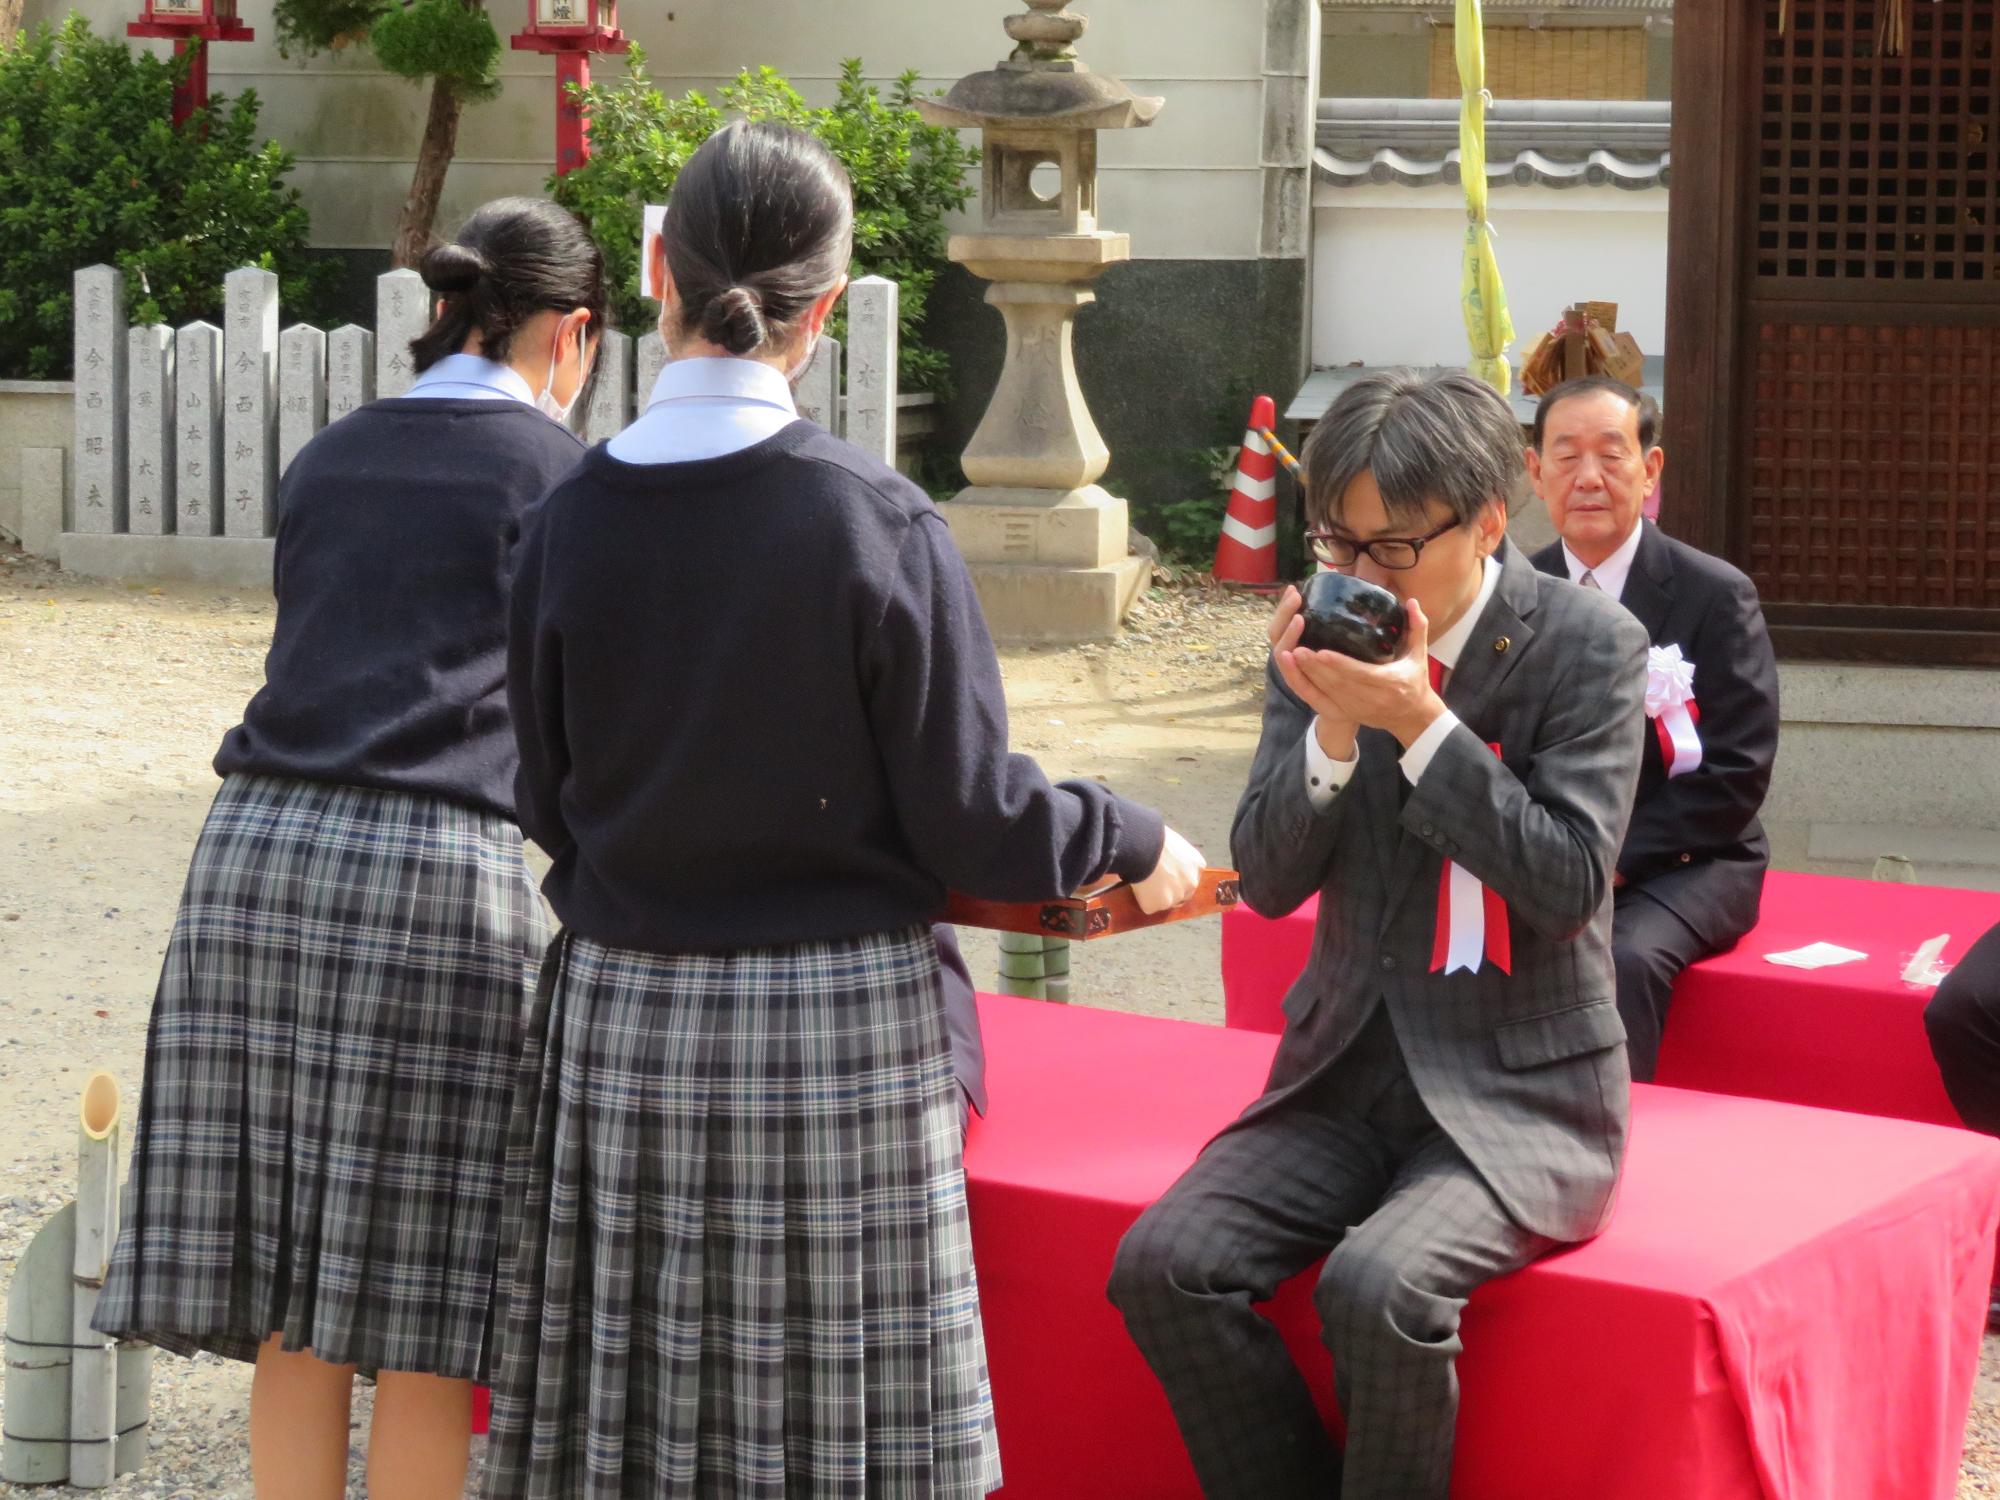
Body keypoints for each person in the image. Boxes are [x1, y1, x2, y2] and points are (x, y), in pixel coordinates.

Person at [486, 119, 1202, 1499]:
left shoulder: (568, 520)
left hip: (622, 1022)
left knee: (637, 1442)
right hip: (833, 1034)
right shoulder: (874, 520)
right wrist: (1127, 832)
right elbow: (978, 821)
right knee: (835, 1454)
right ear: (826, 306)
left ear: (653, 266)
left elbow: (542, 790)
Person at [91, 198, 604, 1500]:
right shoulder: (560, 480)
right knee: (425, 1325)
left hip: (253, 863)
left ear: (444, 308)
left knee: (294, 1305)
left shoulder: (328, 455)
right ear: (574, 336)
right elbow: (573, 732)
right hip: (438, 876)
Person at [1108, 369, 1648, 1500]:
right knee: (1163, 1265)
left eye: (1390, 548)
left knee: (1377, 1287)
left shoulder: (1589, 647)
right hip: (1341, 1072)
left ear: (1488, 520)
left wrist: (1421, 722)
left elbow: (1563, 883)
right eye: (1334, 542)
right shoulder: (1319, 632)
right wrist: (1332, 735)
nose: (1355, 575)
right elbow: (1260, 878)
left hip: (1519, 1095)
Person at [1525, 377, 1780, 1080]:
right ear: (1534, 471)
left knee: (1623, 957)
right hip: (1546, 856)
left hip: (1689, 861)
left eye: (1612, 455)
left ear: (1651, 468)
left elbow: (1737, 773)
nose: (1588, 478)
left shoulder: (1714, 594)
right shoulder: (1511, 591)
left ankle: (1608, 1141)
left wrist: (1609, 858)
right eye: (1566, 456)